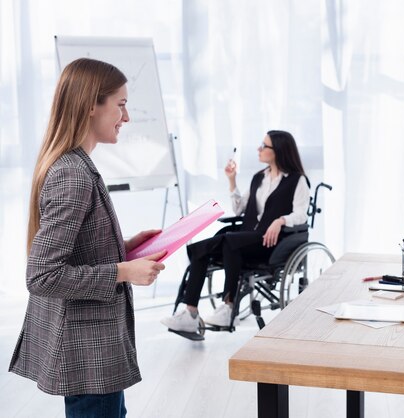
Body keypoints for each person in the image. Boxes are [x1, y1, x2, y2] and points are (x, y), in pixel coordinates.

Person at [9, 58, 167, 418]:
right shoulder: (73, 175)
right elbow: (42, 276)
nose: (126, 118)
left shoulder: (74, 165)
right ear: (90, 105)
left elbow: (75, 249)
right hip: (88, 354)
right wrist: (124, 272)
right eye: (121, 105)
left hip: (93, 352)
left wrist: (125, 247)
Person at [161, 130, 309, 330]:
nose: (259, 149)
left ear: (278, 151)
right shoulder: (259, 178)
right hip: (246, 237)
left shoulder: (297, 180)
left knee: (229, 241)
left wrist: (280, 220)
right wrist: (232, 181)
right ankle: (190, 313)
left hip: (271, 242)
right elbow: (239, 208)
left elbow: (301, 214)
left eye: (264, 146)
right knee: (201, 248)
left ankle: (229, 308)